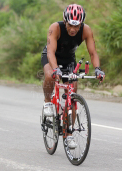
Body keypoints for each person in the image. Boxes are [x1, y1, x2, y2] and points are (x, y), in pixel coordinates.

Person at [41, 4, 105, 148]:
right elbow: (51, 52)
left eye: (77, 26)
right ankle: (47, 101)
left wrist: (98, 69)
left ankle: (68, 134)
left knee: (72, 94)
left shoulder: (86, 30)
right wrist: (56, 69)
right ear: (65, 21)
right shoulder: (55, 28)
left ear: (81, 24)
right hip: (51, 56)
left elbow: (93, 52)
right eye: (70, 25)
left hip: (69, 59)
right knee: (51, 75)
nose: (73, 29)